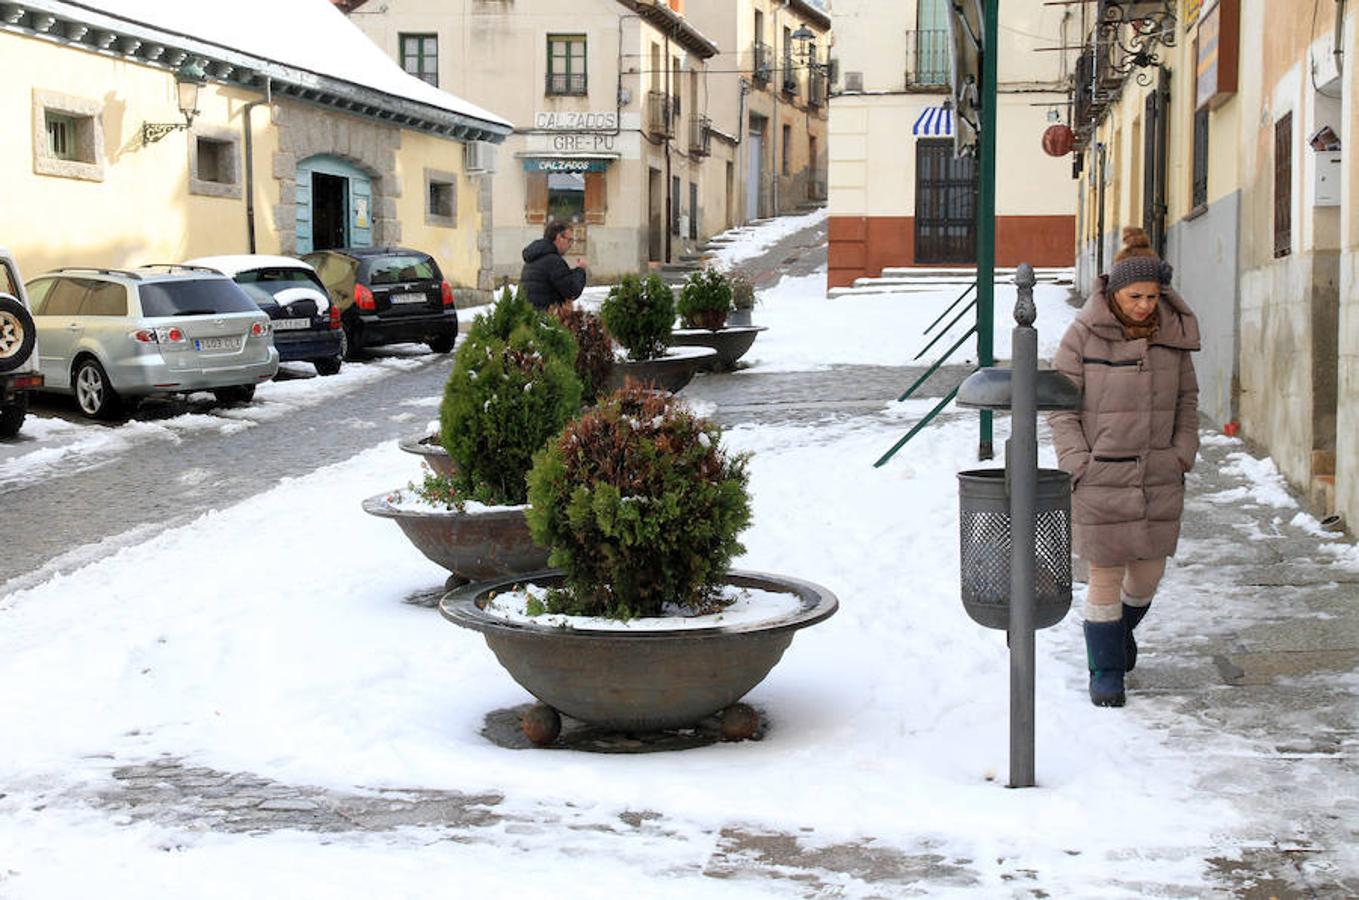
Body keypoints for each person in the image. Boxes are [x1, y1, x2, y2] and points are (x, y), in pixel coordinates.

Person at [1048, 227, 1201, 708]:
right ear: (1114, 291)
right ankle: (1106, 671)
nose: (1144, 306)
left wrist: (1182, 451)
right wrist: (1077, 462)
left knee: (1148, 575)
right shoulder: (1082, 335)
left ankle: (1117, 634)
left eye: (1152, 297)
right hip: (1101, 476)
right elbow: (1060, 406)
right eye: (1135, 296)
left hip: (1159, 474)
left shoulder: (1172, 336)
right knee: (1106, 574)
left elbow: (1187, 401)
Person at [519, 221, 587, 311]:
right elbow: (571, 291)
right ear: (559, 238)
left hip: (531, 315)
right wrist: (580, 270)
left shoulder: (533, 257)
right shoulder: (554, 262)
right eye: (569, 240)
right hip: (547, 316)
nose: (570, 245)